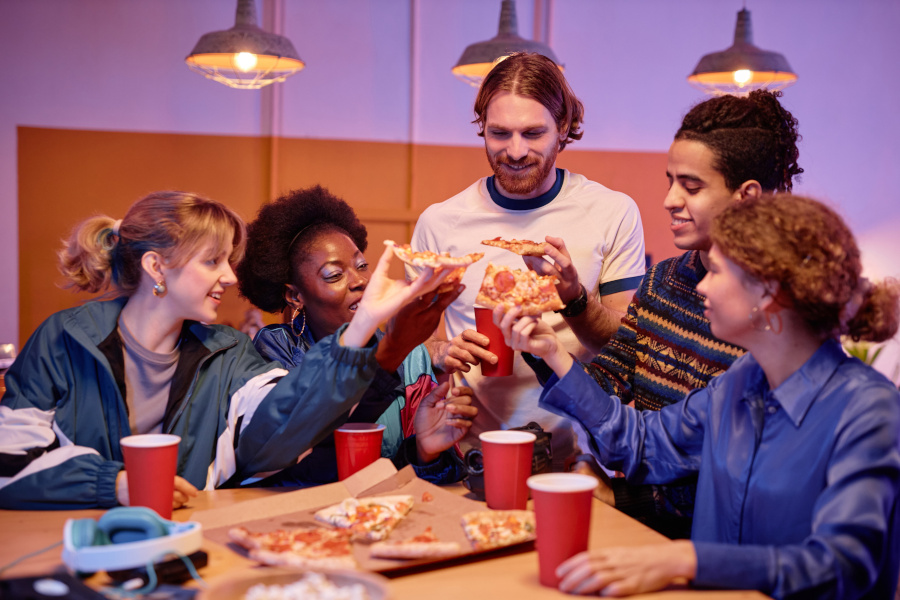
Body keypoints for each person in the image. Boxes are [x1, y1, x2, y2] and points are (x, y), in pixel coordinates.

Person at [496, 193, 900, 598]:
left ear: (768, 294)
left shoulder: (869, 409)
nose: (701, 286)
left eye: (718, 271)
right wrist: (552, 354)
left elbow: (843, 564)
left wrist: (686, 559)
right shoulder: (745, 379)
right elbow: (640, 443)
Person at [0, 191, 452, 510]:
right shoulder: (64, 339)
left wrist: (366, 325)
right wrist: (114, 484)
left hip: (194, 549)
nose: (230, 278)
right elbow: (9, 461)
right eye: (212, 261)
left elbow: (285, 424)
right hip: (71, 550)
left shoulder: (229, 351)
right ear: (157, 267)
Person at [525, 88, 802, 537]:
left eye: (690, 186)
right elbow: (616, 409)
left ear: (745, 196)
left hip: (724, 551)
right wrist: (543, 347)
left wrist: (619, 496)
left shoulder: (781, 325)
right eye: (670, 181)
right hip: (654, 532)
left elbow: (734, 481)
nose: (669, 200)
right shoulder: (665, 280)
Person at [409, 52, 646, 469]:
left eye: (533, 133)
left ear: (565, 129)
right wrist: (440, 351)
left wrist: (574, 297)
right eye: (499, 133)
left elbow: (626, 347)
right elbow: (414, 343)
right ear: (481, 127)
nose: (515, 151)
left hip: (585, 455)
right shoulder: (440, 222)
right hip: (475, 453)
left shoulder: (613, 212)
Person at [235, 186, 476, 486]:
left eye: (362, 267)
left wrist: (426, 452)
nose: (360, 281)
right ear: (294, 295)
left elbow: (425, 476)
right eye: (335, 275)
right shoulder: (275, 353)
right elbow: (282, 469)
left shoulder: (409, 353)